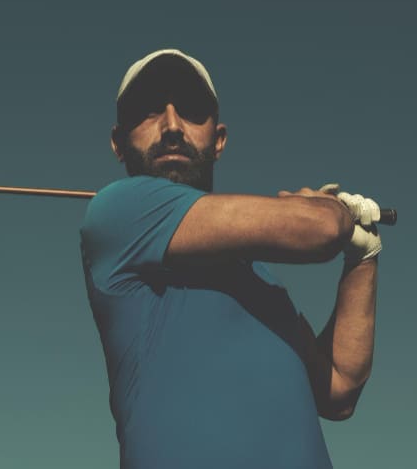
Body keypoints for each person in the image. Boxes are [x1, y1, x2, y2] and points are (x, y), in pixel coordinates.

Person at [79, 49, 382, 468]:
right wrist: (328, 212)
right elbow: (322, 228)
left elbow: (339, 390)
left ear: (218, 139)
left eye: (190, 110)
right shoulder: (118, 211)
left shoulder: (263, 280)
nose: (172, 126)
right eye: (148, 111)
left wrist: (362, 257)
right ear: (118, 142)